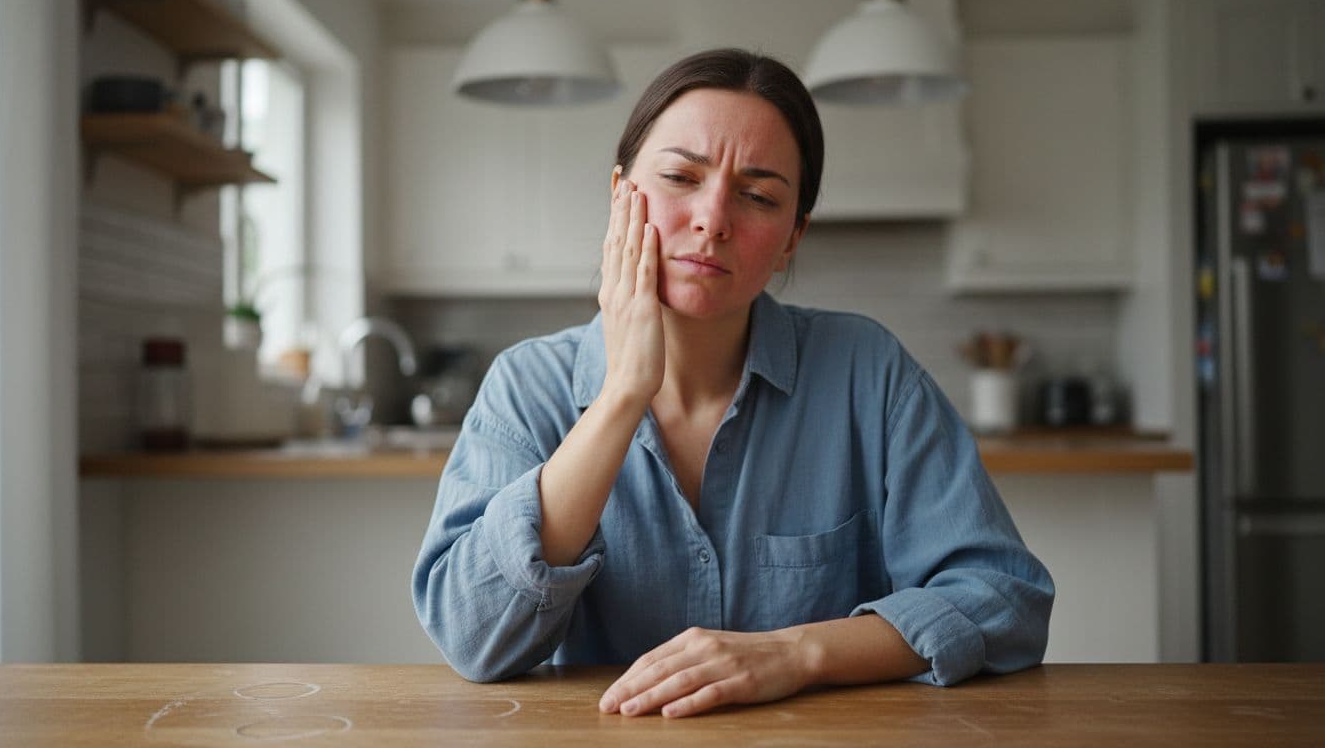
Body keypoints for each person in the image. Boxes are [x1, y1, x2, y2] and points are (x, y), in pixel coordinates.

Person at [412, 48, 1053, 719]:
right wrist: (622, 394)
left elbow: (1005, 597)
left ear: (792, 238)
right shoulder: (527, 385)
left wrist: (796, 653)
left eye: (758, 196)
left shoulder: (869, 371)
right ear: (619, 194)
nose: (713, 220)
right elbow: (472, 635)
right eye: (681, 177)